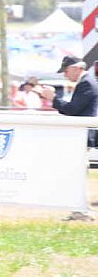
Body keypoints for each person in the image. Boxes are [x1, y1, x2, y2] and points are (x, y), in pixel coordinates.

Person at [41, 55, 98, 221]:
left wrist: (53, 99)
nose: (65, 75)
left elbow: (72, 109)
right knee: (78, 172)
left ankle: (81, 210)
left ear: (75, 68)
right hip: (83, 134)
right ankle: (80, 209)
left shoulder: (86, 83)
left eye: (66, 71)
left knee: (78, 172)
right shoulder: (87, 82)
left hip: (83, 134)